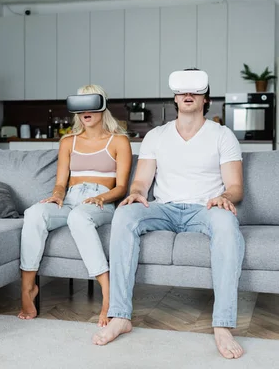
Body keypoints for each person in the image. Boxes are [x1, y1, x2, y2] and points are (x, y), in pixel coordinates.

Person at [92, 69, 246, 359]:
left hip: (206, 208)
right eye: (182, 91)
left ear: (205, 98)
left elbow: (235, 187)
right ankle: (120, 316)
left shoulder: (222, 136)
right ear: (175, 97)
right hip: (163, 207)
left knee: (227, 223)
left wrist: (224, 197)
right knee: (124, 216)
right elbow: (141, 181)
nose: (188, 95)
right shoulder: (156, 136)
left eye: (195, 91)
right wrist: (136, 192)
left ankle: (223, 324)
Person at [18, 84, 132, 328]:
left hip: (100, 200)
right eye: (80, 106)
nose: (85, 111)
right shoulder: (68, 141)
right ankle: (28, 289)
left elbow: (121, 187)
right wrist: (57, 195)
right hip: (70, 199)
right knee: (34, 213)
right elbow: (61, 183)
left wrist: (104, 197)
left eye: (90, 104)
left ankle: (108, 292)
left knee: (79, 218)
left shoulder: (119, 141)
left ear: (101, 105)